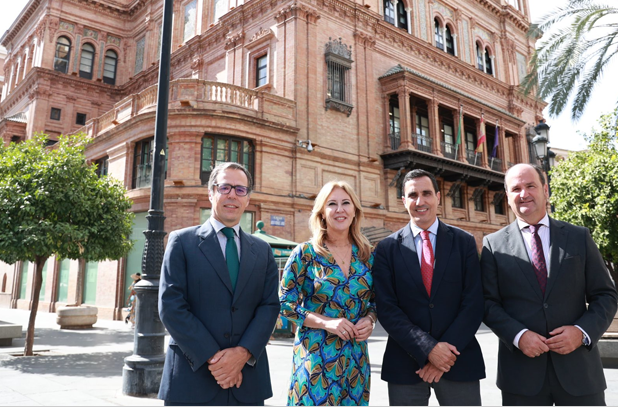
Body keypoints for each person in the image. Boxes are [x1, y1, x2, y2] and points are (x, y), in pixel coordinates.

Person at [481, 163, 618, 406]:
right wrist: (518, 336)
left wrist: (581, 332)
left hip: (580, 373)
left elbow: (605, 295)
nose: (523, 194)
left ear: (545, 190)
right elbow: (487, 303)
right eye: (516, 189)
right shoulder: (493, 245)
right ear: (508, 197)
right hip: (521, 376)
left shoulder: (579, 237)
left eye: (530, 186)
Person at [158, 162, 279, 406]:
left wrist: (241, 354)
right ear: (211, 193)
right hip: (193, 379)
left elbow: (269, 306)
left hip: (247, 381)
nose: (232, 195)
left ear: (247, 198)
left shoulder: (263, 250)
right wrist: (218, 361)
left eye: (240, 189)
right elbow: (171, 307)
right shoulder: (182, 242)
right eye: (224, 187)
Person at [373, 169, 485, 406]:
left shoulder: (463, 242)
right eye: (412, 195)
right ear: (404, 201)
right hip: (405, 363)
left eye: (426, 193)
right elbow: (387, 308)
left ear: (437, 197)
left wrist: (443, 354)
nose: (420, 201)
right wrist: (428, 349)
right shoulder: (386, 249)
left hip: (458, 359)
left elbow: (474, 301)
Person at [280, 181, 377, 405]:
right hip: (315, 358)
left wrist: (370, 320)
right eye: (332, 204)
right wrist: (326, 323)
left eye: (346, 203)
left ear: (355, 210)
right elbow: (285, 303)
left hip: (356, 359)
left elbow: (375, 301)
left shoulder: (367, 255)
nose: (340, 209)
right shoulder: (305, 253)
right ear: (322, 213)